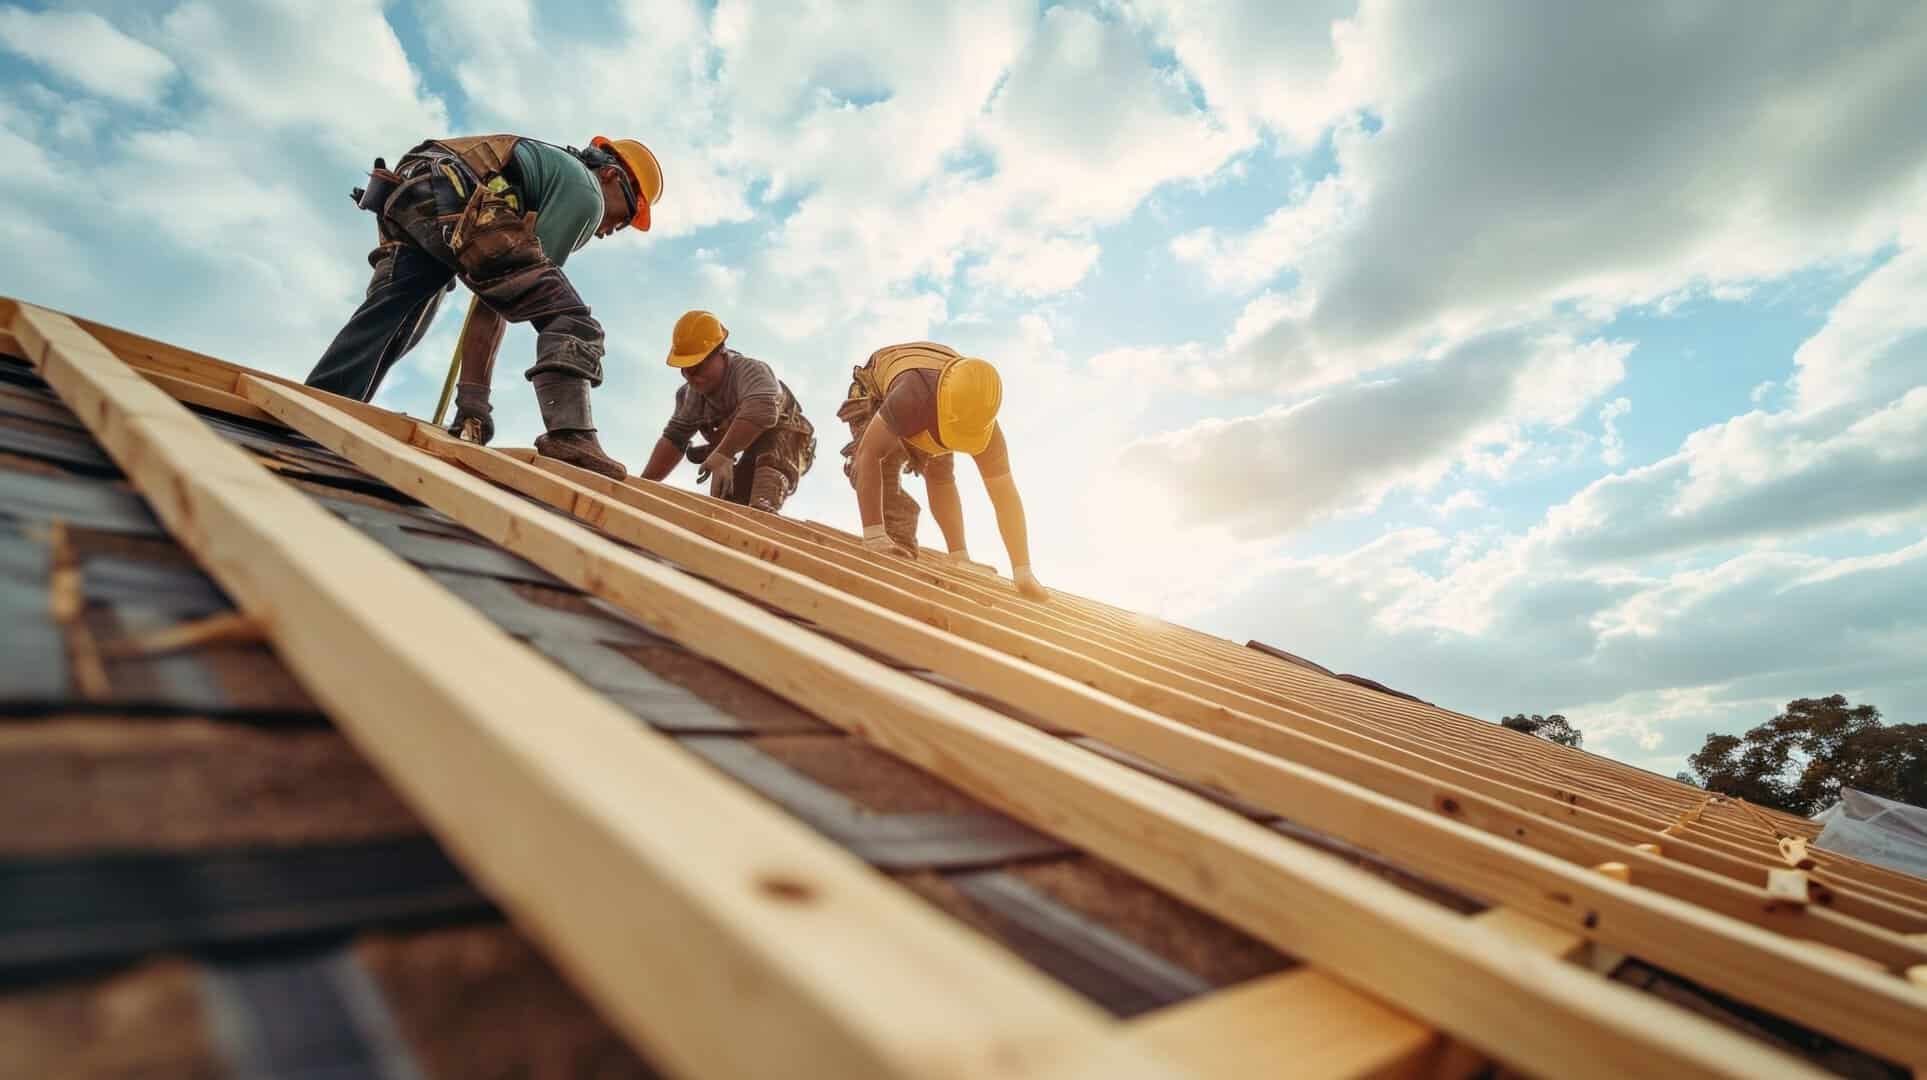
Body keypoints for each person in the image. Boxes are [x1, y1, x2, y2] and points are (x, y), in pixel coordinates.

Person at [305, 133, 664, 480]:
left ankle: (319, 405)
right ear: (611, 175)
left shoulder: (543, 175)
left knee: (396, 313)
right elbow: (513, 293)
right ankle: (572, 436)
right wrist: (475, 402)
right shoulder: (587, 194)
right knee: (571, 321)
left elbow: (495, 291)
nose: (609, 229)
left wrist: (473, 405)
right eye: (622, 220)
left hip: (416, 183)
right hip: (454, 190)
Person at [839, 342, 1048, 600]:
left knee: (940, 470)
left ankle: (958, 554)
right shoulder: (911, 397)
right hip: (880, 391)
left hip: (938, 396)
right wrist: (874, 536)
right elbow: (868, 455)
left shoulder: (978, 416)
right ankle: (882, 543)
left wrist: (1023, 570)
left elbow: (1005, 497)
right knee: (886, 469)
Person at [639, 311, 815, 512]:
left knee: (761, 499)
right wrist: (642, 487)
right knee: (730, 507)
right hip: (742, 451)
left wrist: (723, 453)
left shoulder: (749, 371)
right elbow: (674, 439)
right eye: (684, 370)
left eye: (697, 368)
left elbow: (763, 409)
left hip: (781, 443)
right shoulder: (691, 394)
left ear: (721, 352)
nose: (691, 377)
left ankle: (764, 508)